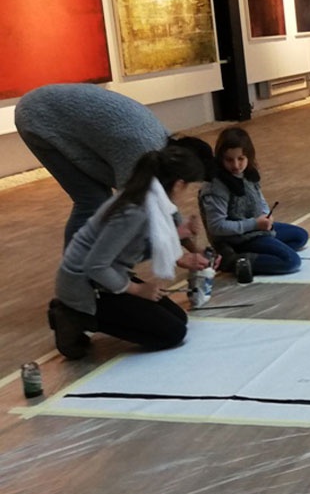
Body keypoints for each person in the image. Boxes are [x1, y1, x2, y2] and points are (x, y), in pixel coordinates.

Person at [48, 145, 212, 359]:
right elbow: (95, 266)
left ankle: (98, 313)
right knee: (173, 333)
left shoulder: (146, 198)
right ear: (179, 184)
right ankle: (75, 316)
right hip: (85, 287)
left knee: (179, 318)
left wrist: (178, 234)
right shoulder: (135, 210)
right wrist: (137, 289)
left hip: (106, 277)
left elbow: (129, 250)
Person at [15, 83, 214, 248]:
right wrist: (182, 249)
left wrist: (189, 247)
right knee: (91, 201)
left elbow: (161, 201)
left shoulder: (167, 146)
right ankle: (76, 274)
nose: (182, 188)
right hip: (39, 117)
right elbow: (139, 204)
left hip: (55, 111)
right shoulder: (141, 152)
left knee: (102, 203)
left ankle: (88, 268)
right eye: (184, 182)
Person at [200, 127, 308, 275]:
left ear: (249, 157)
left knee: (300, 236)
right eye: (229, 160)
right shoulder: (216, 186)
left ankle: (262, 251)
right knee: (291, 261)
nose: (236, 165)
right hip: (237, 238)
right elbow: (216, 226)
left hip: (256, 228)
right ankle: (232, 261)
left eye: (241, 159)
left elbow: (259, 198)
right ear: (220, 158)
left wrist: (266, 215)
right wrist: (254, 224)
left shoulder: (248, 173)